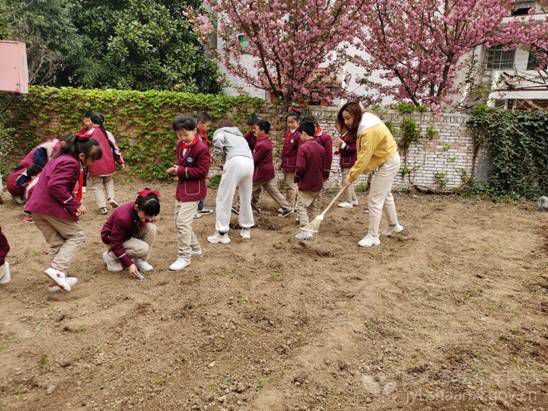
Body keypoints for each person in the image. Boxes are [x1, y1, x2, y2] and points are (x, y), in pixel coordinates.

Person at [25, 135, 103, 292]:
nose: (93, 163)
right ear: (82, 156)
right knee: (77, 236)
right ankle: (57, 271)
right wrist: (74, 204)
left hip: (36, 208)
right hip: (49, 208)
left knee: (57, 242)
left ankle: (55, 283)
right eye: (92, 159)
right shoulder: (70, 162)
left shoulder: (59, 157)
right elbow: (56, 186)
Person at [339, 102, 404, 247]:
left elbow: (363, 158)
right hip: (388, 158)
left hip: (388, 161)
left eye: (348, 118)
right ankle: (394, 225)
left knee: (374, 199)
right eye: (344, 119)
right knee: (385, 194)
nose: (346, 122)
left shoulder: (367, 130)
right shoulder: (366, 119)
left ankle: (373, 236)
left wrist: (350, 178)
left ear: (356, 115)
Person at [167, 116, 210, 271]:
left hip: (194, 191)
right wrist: (175, 170)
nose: (182, 138)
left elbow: (202, 171)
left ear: (194, 130)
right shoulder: (180, 144)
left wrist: (180, 170)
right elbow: (181, 163)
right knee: (179, 220)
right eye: (179, 135)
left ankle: (184, 256)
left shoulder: (202, 148)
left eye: (185, 134)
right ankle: (196, 248)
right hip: (182, 188)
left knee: (182, 223)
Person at [208, 120, 254, 244]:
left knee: (224, 197)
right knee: (246, 196)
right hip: (249, 162)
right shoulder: (239, 136)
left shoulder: (221, 132)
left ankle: (222, 233)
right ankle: (246, 228)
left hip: (235, 162)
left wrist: (217, 156)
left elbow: (218, 139)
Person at [101, 189, 160, 279]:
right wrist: (129, 264)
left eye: (152, 215)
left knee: (152, 228)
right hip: (112, 238)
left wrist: (148, 218)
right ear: (137, 207)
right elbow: (115, 243)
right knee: (143, 248)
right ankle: (110, 256)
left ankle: (140, 260)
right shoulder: (123, 218)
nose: (150, 217)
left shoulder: (141, 208)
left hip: (129, 231)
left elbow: (142, 218)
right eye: (147, 215)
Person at [293, 121, 326, 240]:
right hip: (318, 183)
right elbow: (323, 166)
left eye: (300, 134)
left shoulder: (303, 148)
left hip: (306, 183)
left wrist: (297, 177)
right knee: (313, 207)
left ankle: (305, 229)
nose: (300, 137)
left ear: (304, 133)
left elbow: (301, 167)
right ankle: (312, 229)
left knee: (301, 206)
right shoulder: (321, 148)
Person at [251, 120, 292, 216]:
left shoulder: (262, 144)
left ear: (263, 131)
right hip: (267, 172)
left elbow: (254, 159)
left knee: (249, 188)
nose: (254, 131)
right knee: (272, 190)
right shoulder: (265, 141)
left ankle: (239, 206)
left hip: (261, 172)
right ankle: (286, 207)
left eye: (256, 129)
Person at [87, 112, 121, 215]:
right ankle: (110, 198)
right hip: (108, 164)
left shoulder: (88, 134)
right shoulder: (108, 133)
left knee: (97, 185)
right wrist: (120, 161)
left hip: (95, 165)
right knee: (109, 181)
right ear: (103, 122)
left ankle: (103, 207)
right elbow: (115, 148)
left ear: (91, 122)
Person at [195, 113, 214, 217]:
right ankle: (192, 211)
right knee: (196, 187)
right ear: (200, 124)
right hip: (197, 167)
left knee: (202, 186)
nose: (208, 128)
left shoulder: (203, 136)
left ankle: (200, 207)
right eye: (207, 125)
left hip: (203, 166)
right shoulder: (194, 136)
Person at [281, 112, 301, 209]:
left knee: (291, 186)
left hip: (293, 165)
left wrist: (298, 165)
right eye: (288, 122)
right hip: (286, 163)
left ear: (298, 122)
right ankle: (291, 204)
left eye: (292, 122)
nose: (290, 124)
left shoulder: (299, 135)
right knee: (288, 185)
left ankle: (289, 206)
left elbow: (300, 152)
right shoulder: (288, 133)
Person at [336, 126, 359, 208]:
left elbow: (353, 149)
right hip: (344, 161)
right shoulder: (343, 136)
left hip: (349, 162)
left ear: (343, 127)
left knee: (345, 181)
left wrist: (343, 145)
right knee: (350, 182)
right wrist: (338, 150)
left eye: (338, 126)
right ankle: (354, 200)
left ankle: (348, 202)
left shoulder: (351, 136)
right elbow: (344, 148)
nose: (337, 128)